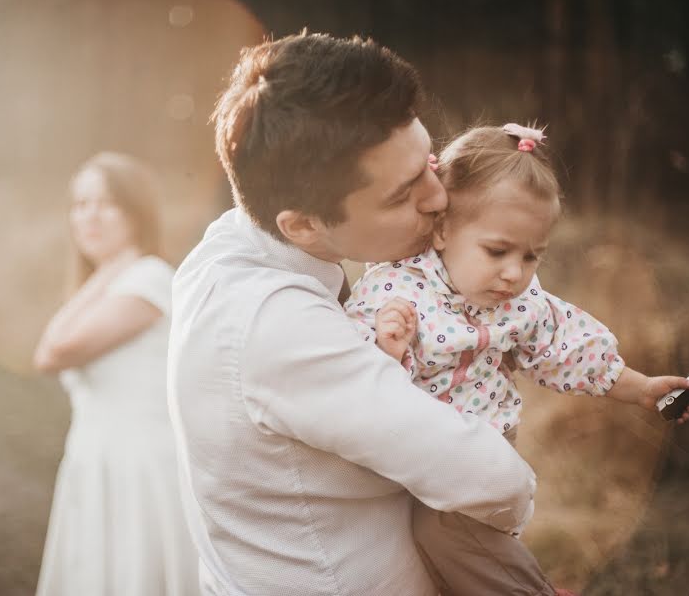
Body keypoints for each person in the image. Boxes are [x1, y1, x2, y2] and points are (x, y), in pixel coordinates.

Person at [167, 33, 539, 596]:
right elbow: (491, 478)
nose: (439, 198)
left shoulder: (228, 246)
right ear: (303, 224)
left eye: (429, 161)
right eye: (402, 194)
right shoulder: (275, 324)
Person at [345, 123, 689, 594]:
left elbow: (571, 349)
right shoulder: (397, 289)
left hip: (481, 450)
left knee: (447, 533)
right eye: (497, 251)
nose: (514, 273)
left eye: (533, 256)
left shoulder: (520, 303)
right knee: (427, 563)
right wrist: (387, 349)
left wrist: (641, 388)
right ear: (443, 228)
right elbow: (349, 374)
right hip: (417, 449)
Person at [33, 152, 198, 596]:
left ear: (135, 213)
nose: (90, 216)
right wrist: (107, 270)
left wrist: (115, 267)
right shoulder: (113, 279)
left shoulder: (148, 278)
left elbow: (52, 351)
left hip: (140, 468)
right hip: (96, 461)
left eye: (106, 203)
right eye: (80, 204)